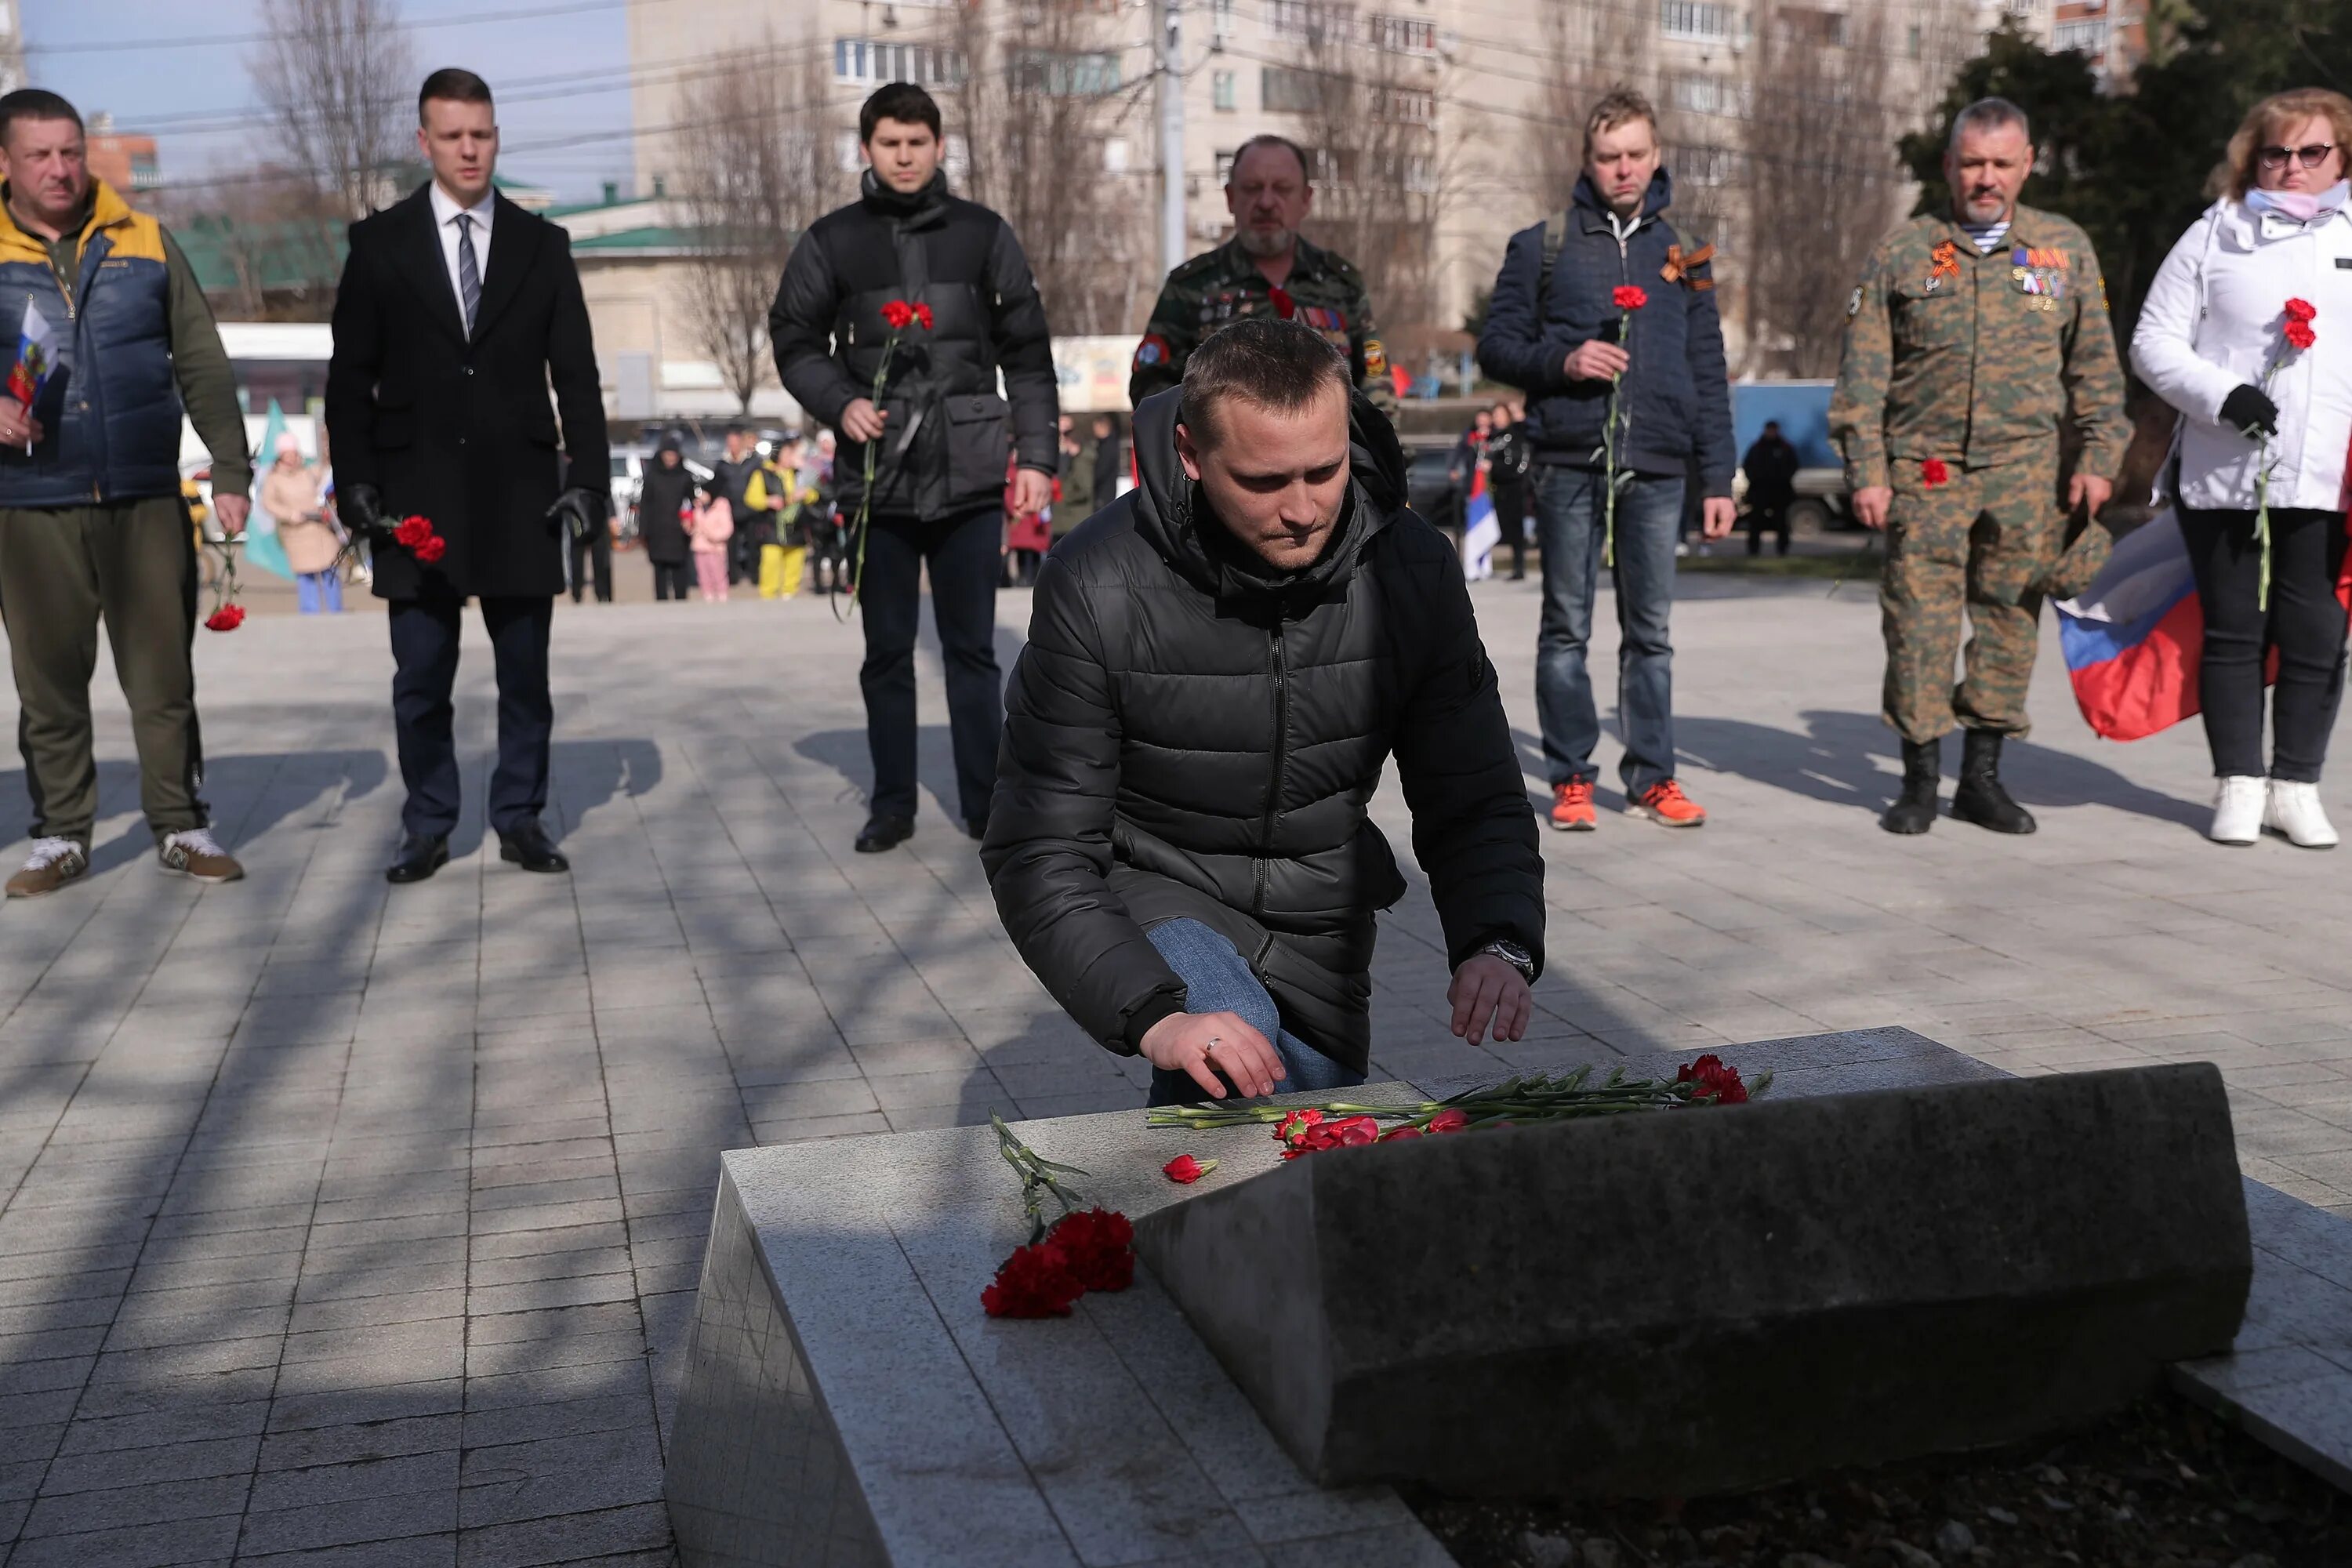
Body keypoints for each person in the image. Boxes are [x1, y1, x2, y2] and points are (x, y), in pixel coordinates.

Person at [985, 318, 1544, 1102]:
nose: (1304, 509)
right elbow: (1038, 843)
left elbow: (1472, 786)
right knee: (1226, 1035)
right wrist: (1155, 1014)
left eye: (1325, 470)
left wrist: (1496, 934)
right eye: (1263, 481)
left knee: (1310, 1136)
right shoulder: (1097, 579)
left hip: (1322, 911)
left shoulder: (1411, 566)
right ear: (1191, 454)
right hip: (1156, 877)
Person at [325, 67, 609, 884]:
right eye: (452, 136)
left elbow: (579, 377)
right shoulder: (377, 245)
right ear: (424, 142)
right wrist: (355, 484)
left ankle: (520, 816)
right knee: (420, 679)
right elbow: (351, 381)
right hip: (412, 497)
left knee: (526, 675)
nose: (470, 149)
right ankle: (428, 821)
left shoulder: (542, 246)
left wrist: (587, 478)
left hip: (522, 492)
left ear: (496, 133)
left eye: (481, 133)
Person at [770, 81, 1058, 852]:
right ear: (866, 149)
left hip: (970, 475)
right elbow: (793, 339)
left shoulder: (983, 234)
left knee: (972, 651)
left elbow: (1029, 355)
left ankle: (983, 804)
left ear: (939, 147)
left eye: (918, 142)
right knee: (887, 653)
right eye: (889, 143)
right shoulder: (832, 240)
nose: (904, 156)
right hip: (879, 479)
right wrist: (838, 401)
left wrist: (1036, 456)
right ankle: (891, 805)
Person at [1831, 96, 2129, 837]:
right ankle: (1921, 781)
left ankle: (1984, 779)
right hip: (1924, 476)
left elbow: (2097, 369)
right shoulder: (1903, 252)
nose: (1986, 178)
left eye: (2001, 163)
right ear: (1949, 168)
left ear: (2028, 164)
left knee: (2007, 624)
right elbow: (1862, 375)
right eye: (1972, 163)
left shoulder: (2065, 251)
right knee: (1918, 626)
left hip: (2026, 476)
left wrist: (2097, 458)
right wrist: (1867, 468)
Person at [0, 89, 250, 898]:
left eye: (70, 151)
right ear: (5, 163)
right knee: (49, 687)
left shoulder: (145, 240)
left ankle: (179, 822)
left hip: (144, 497)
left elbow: (202, 360)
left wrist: (233, 470)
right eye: (39, 154)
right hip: (31, 505)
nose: (60, 168)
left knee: (163, 678)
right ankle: (62, 836)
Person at [1477, 87, 1735, 833]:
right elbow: (1497, 346)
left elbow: (1708, 367)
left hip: (1657, 467)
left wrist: (1717, 477)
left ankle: (1653, 776)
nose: (1623, 169)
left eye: (1635, 155)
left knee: (1650, 633)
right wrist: (1565, 360)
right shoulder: (1544, 244)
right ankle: (1571, 777)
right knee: (1566, 627)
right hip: (1568, 462)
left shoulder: (1684, 254)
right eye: (1608, 156)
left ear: (1656, 157)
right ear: (1587, 162)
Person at [2132, 88, 2352, 848]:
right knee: (2234, 629)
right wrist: (2223, 394)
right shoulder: (2216, 232)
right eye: (2276, 152)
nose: (2293, 167)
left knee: (2318, 628)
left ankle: (2296, 783)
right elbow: (2153, 341)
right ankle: (2238, 784)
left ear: (2341, 156)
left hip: (2330, 478)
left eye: (2312, 152)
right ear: (2251, 157)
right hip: (2229, 471)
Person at [1131, 135, 1395, 416]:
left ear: (1306, 200)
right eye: (1253, 188)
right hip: (1226, 456)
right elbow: (1150, 387)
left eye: (1282, 189)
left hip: (1327, 455)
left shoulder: (1341, 284)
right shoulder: (1190, 287)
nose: (1267, 202)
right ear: (1231, 198)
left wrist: (1375, 454)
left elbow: (1375, 378)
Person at [262, 433, 340, 613]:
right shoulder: (274, 479)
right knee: (306, 576)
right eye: (287, 454)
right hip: (297, 533)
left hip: (322, 531)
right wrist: (290, 514)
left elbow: (327, 479)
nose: (291, 457)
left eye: (293, 453)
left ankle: (336, 611)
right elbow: (269, 503)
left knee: (331, 571)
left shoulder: (310, 471)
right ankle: (309, 613)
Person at [637, 437, 695, 601]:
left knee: (680, 569)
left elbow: (691, 502)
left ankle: (681, 599)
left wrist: (690, 521)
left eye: (673, 455)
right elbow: (645, 504)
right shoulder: (653, 476)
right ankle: (661, 601)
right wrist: (643, 532)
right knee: (659, 569)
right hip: (658, 530)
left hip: (679, 531)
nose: (670, 458)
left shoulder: (685, 476)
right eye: (667, 454)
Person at [1486, 401, 1534, 579]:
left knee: (1516, 528)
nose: (1497, 418)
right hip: (1496, 487)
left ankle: (1519, 566)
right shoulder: (1492, 437)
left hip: (1514, 486)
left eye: (1500, 414)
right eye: (1495, 415)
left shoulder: (1515, 434)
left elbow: (1518, 458)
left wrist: (1519, 417)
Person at [1740, 419, 1800, 558]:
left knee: (1781, 522)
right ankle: (1753, 551)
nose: (1771, 433)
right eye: (1769, 430)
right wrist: (1755, 479)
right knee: (1755, 522)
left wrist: (1783, 479)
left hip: (1780, 491)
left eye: (1773, 430)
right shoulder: (1757, 447)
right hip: (1759, 491)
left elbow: (1793, 466)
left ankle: (1782, 550)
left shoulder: (1785, 448)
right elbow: (1747, 465)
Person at [712, 425, 762, 586]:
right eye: (730, 443)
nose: (732, 446)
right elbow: (716, 485)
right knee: (731, 547)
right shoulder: (722, 464)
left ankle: (754, 575)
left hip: (751, 510)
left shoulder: (754, 462)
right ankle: (733, 576)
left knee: (753, 544)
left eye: (735, 443)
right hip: (730, 510)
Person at [565, 476, 613, 604]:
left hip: (598, 518)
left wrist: (611, 514)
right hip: (577, 520)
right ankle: (577, 593)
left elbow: (607, 494)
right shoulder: (571, 473)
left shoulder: (597, 472)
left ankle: (602, 593)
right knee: (576, 559)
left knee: (600, 558)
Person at [689, 480, 733, 601]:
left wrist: (713, 536)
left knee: (718, 573)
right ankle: (707, 595)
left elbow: (727, 528)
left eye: (704, 493)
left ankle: (722, 594)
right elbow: (695, 525)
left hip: (716, 548)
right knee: (703, 574)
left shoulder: (722, 506)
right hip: (700, 546)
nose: (701, 495)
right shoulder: (697, 507)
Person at [1056, 413, 1094, 532]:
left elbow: (1084, 488)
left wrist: (1065, 498)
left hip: (1073, 516)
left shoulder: (1082, 458)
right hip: (1062, 516)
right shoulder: (1059, 454)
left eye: (1066, 432)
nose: (1063, 436)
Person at [1091, 412, 1123, 506]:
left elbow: (1102, 470)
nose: (1094, 431)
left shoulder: (1108, 446)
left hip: (1104, 493)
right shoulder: (1104, 444)